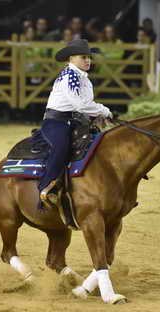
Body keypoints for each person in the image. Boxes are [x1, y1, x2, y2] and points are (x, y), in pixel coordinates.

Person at [38, 39, 113, 205]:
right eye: (82, 57)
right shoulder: (69, 76)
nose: (87, 60)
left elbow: (84, 106)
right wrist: (103, 110)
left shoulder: (84, 79)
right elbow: (81, 104)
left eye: (88, 57)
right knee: (61, 146)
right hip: (55, 122)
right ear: (71, 58)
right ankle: (46, 188)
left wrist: (98, 116)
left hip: (74, 121)